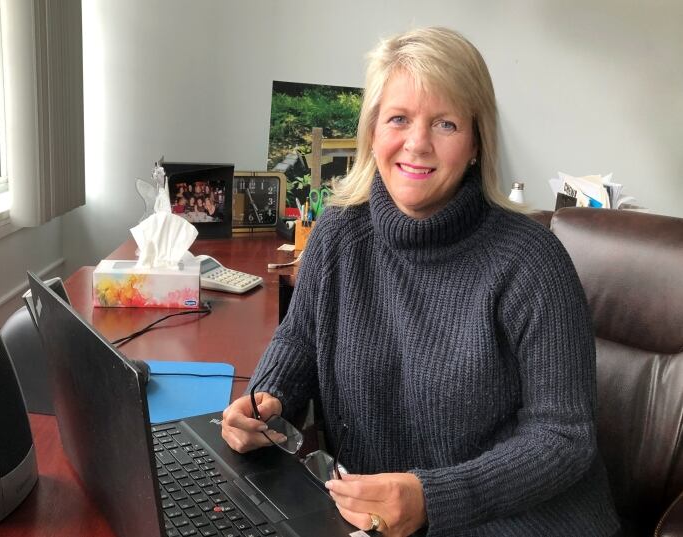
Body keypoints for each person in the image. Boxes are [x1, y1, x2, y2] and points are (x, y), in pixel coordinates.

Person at [221, 27, 619, 536]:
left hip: (522, 521)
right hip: (381, 520)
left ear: (477, 143)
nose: (418, 143)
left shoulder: (531, 261)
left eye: (446, 124)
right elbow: (301, 340)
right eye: (399, 119)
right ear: (372, 132)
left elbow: (565, 437)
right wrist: (267, 400)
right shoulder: (339, 235)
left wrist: (432, 498)